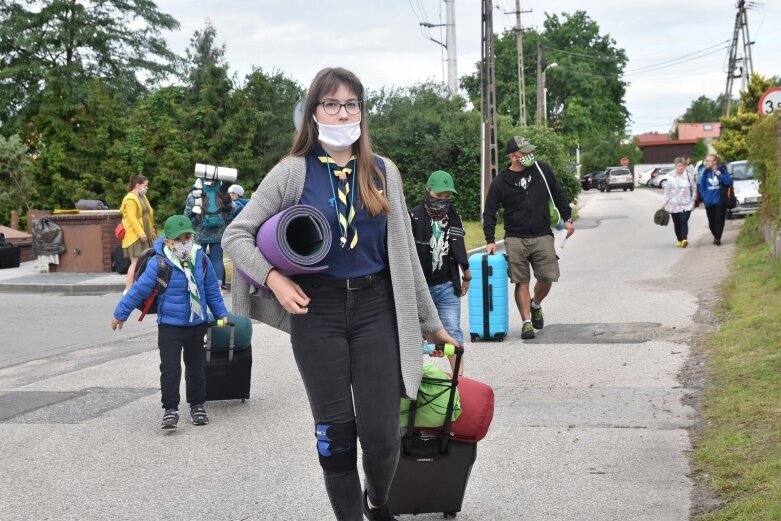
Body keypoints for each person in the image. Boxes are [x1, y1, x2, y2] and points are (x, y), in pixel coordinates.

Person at [222, 67, 458, 521]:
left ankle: (377, 501)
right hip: (318, 311)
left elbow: (404, 255)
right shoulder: (292, 172)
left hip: (376, 308)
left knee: (383, 434)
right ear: (313, 113)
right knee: (335, 430)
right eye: (330, 104)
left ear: (362, 113)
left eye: (351, 104)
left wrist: (432, 324)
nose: (342, 112)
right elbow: (237, 235)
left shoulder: (383, 171)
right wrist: (274, 278)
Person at [111, 215, 228, 429]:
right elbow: (139, 290)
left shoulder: (200, 259)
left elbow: (211, 289)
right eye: (179, 239)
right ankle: (170, 409)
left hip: (197, 323)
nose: (185, 243)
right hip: (169, 326)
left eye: (188, 237)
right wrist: (121, 313)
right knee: (170, 368)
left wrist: (220, 313)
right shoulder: (159, 263)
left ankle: (197, 405)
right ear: (168, 242)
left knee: (196, 367)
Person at [483, 136, 574, 340]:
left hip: (542, 234)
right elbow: (489, 212)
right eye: (524, 153)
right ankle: (526, 323)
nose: (529, 156)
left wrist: (567, 218)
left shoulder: (541, 169)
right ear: (513, 156)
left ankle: (536, 304)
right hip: (515, 238)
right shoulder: (501, 182)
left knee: (547, 277)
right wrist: (490, 240)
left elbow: (558, 194)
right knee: (521, 281)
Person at [409, 170, 471, 375]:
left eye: (447, 197)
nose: (442, 202)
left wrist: (466, 275)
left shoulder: (454, 217)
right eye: (438, 197)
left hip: (446, 285)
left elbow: (459, 247)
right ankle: (414, 383)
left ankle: (458, 384)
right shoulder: (413, 216)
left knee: (453, 332)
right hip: (419, 288)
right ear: (427, 191)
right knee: (414, 338)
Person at [120, 175, 156, 293]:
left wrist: (151, 231)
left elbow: (148, 215)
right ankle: (128, 289)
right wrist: (141, 233)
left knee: (146, 262)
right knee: (135, 263)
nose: (147, 187)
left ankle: (140, 287)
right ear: (138, 185)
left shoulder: (142, 197)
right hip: (135, 236)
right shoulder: (130, 199)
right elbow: (131, 218)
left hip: (145, 235)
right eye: (145, 185)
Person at [661, 157, 697, 247]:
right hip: (674, 205)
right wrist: (664, 204)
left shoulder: (689, 176)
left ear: (684, 166)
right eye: (678, 166)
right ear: (675, 166)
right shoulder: (671, 177)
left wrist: (693, 200)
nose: (680, 168)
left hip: (686, 204)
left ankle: (684, 239)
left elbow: (694, 188)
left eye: (682, 166)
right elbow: (667, 192)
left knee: (684, 221)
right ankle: (679, 239)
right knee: (677, 223)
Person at [698, 153, 732, 246]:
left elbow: (728, 182)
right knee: (711, 223)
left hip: (720, 201)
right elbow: (702, 187)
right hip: (709, 202)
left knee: (719, 220)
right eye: (706, 161)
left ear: (715, 161)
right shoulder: (705, 172)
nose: (706, 163)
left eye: (708, 161)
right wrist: (704, 197)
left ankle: (718, 238)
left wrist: (720, 174)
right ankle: (716, 235)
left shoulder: (722, 170)